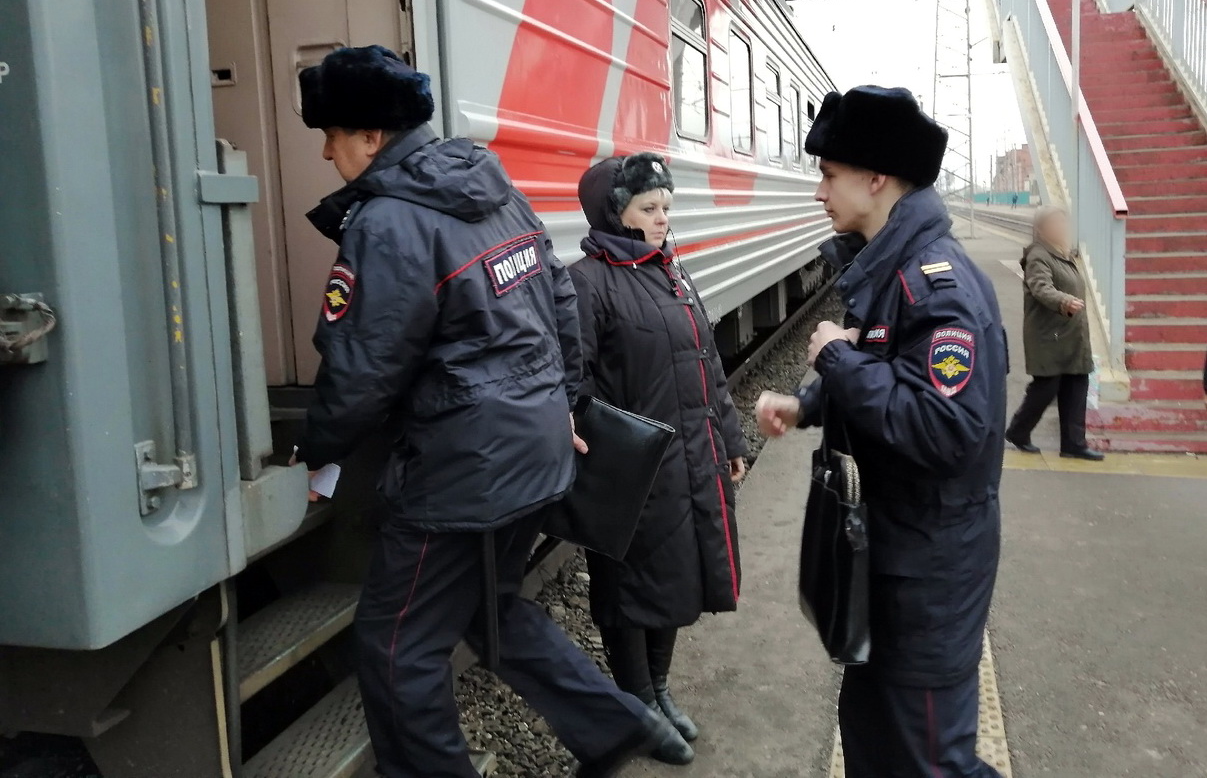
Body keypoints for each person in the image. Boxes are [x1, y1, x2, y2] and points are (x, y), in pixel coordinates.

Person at [291, 45, 680, 778]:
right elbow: (558, 299)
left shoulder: (386, 222)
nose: (324, 150)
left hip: (462, 467)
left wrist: (314, 447)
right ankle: (613, 724)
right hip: (534, 449)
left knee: (394, 647)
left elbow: (361, 367)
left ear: (371, 137)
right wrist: (561, 402)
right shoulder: (495, 191)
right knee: (490, 607)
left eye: (332, 134)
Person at [754, 86, 1007, 778]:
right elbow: (884, 357)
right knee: (873, 731)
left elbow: (945, 425)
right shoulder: (891, 268)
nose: (817, 192)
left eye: (828, 174)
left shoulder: (937, 285)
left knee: (928, 753)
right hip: (891, 555)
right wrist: (809, 402)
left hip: (929, 565)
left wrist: (832, 356)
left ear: (875, 178)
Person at [568, 153, 747, 765]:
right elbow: (574, 382)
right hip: (630, 468)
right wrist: (602, 450)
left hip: (686, 458)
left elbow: (708, 366)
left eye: (666, 207)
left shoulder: (672, 270)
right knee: (628, 586)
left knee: (673, 576)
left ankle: (660, 690)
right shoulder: (587, 281)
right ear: (613, 214)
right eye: (649, 208)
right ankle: (636, 704)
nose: (663, 219)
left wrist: (731, 438)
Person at [1003, 206, 1103, 461]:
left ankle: (1073, 444)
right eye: (1056, 223)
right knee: (1046, 388)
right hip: (1050, 336)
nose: (1062, 227)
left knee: (1076, 385)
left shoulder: (1062, 254)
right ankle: (1018, 431)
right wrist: (1064, 302)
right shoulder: (1039, 256)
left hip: (1070, 335)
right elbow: (1040, 287)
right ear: (1042, 229)